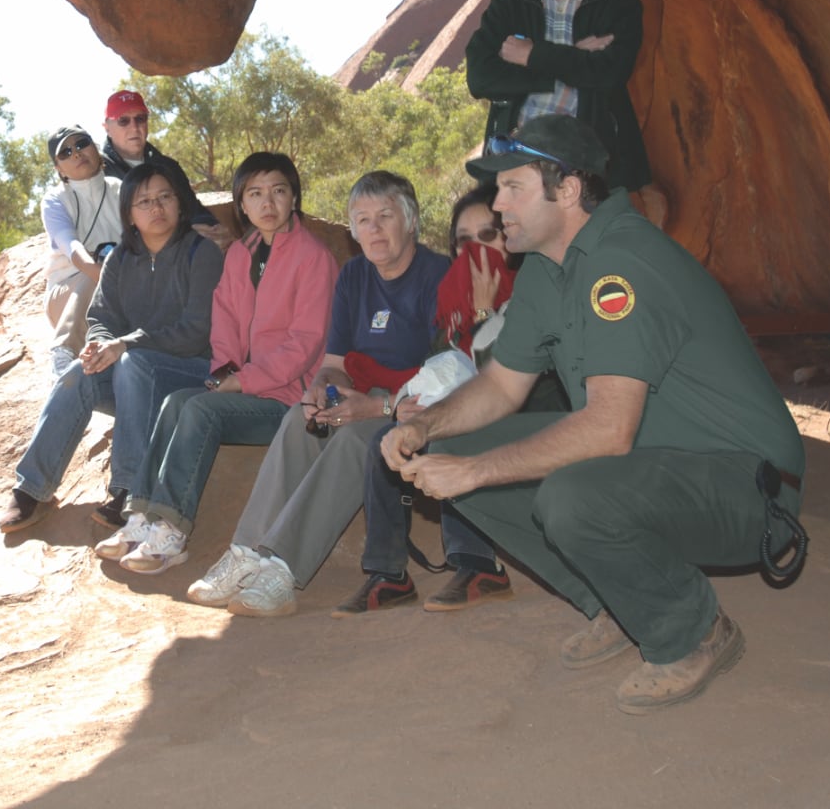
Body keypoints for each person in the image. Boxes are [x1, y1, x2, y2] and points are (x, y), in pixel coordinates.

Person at [382, 115, 806, 714]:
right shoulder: (545, 271)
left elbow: (608, 430)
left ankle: (694, 631)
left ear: (570, 190)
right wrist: (427, 425)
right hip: (655, 466)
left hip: (747, 486)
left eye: (513, 187)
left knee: (569, 494)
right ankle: (616, 599)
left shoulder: (621, 262)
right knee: (459, 453)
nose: (497, 203)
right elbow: (501, 386)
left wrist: (476, 473)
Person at [187, 170, 448, 617]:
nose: (374, 229)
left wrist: (378, 406)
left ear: (411, 221)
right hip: (364, 395)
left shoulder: (438, 276)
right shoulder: (354, 277)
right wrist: (320, 391)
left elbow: (449, 375)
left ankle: (283, 568)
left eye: (385, 216)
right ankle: (247, 552)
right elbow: (334, 362)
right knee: (301, 419)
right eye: (362, 219)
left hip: (420, 403)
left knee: (352, 440)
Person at [94, 152, 339, 574]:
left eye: (279, 191)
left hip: (288, 398)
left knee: (200, 411)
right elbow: (223, 323)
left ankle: (170, 532)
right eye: (255, 194)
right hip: (243, 385)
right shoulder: (241, 255)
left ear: (294, 198)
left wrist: (243, 383)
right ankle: (140, 519)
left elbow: (305, 344)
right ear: (241, 205)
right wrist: (224, 374)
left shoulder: (313, 257)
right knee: (176, 403)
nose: (268, 203)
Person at [0, 161, 223, 534]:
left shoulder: (202, 254)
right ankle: (32, 489)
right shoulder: (121, 258)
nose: (156, 208)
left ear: (180, 204)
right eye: (144, 201)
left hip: (193, 373)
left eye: (165, 197)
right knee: (78, 374)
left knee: (133, 361)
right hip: (134, 380)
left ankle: (127, 489)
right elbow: (100, 316)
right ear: (129, 215)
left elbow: (198, 332)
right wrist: (99, 344)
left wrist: (125, 345)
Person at [332, 185, 517, 616]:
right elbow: (440, 362)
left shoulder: (532, 289)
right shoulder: (453, 297)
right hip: (466, 406)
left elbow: (506, 382)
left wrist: (486, 314)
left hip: (523, 417)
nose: (477, 252)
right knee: (388, 440)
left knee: (451, 437)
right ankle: (388, 575)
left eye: (488, 237)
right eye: (465, 242)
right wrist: (410, 405)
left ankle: (479, 566)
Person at [465, 0, 652, 196]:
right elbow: (480, 78)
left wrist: (532, 55)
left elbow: (610, 72)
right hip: (516, 156)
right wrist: (567, 58)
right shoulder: (509, 5)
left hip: (589, 165)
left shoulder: (617, 0)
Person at [99, 89, 231, 249]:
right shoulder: (99, 173)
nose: (134, 127)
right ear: (106, 127)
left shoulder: (167, 166)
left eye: (140, 119)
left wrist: (212, 229)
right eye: (123, 120)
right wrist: (183, 235)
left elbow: (193, 210)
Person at [40, 125, 123, 381]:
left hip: (121, 288)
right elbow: (71, 246)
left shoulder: (121, 189)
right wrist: (102, 273)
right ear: (58, 168)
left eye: (81, 144)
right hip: (68, 294)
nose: (76, 153)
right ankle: (64, 352)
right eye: (65, 152)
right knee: (95, 275)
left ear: (94, 147)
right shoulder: (55, 200)